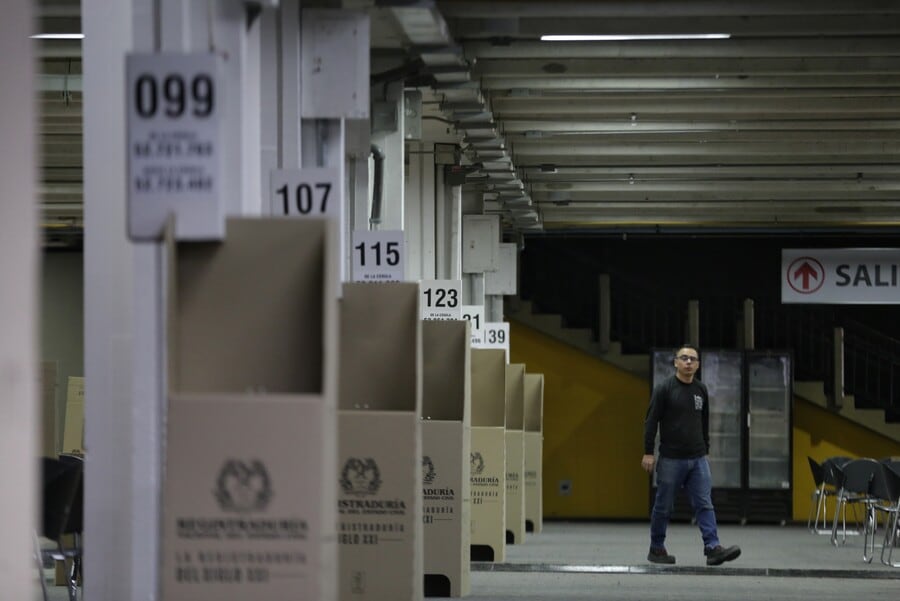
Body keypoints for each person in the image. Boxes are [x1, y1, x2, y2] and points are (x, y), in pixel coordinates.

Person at [641, 344, 740, 566]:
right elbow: (651, 421)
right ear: (675, 362)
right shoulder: (664, 389)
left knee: (705, 503)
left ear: (697, 364)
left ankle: (713, 548)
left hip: (698, 459)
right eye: (683, 358)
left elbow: (703, 422)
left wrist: (706, 450)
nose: (688, 362)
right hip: (670, 459)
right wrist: (648, 452)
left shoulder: (701, 390)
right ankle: (657, 548)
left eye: (692, 359)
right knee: (663, 506)